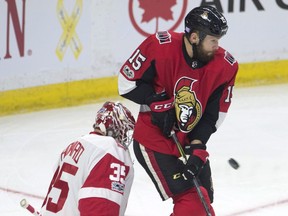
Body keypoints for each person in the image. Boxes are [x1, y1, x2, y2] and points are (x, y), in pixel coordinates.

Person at [118, 5, 238, 216]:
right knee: (192, 202)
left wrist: (198, 146)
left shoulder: (225, 67)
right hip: (153, 141)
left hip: (187, 139)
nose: (217, 46)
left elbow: (213, 115)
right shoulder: (159, 46)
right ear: (194, 37)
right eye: (213, 40)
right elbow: (126, 82)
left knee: (203, 200)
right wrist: (155, 102)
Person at [40, 101, 135, 216]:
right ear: (112, 126)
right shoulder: (111, 150)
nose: (124, 136)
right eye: (123, 130)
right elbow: (99, 205)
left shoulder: (73, 146)